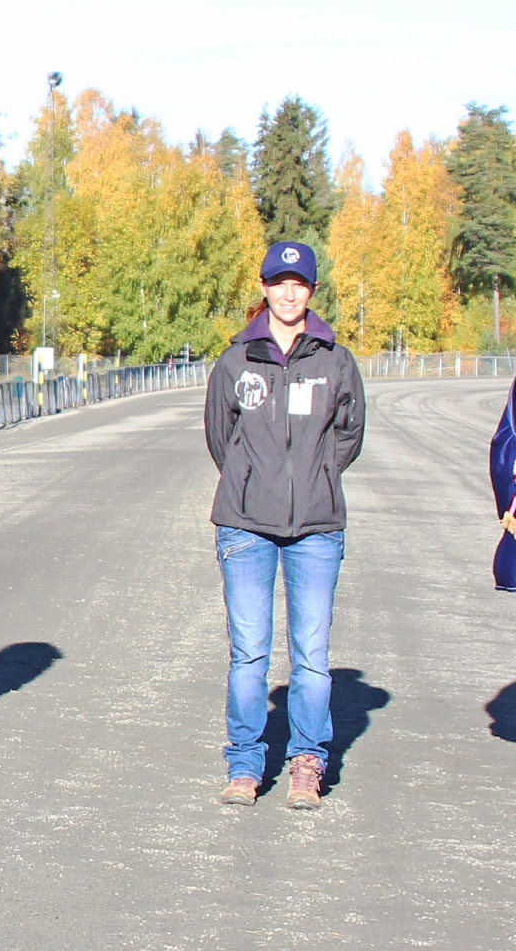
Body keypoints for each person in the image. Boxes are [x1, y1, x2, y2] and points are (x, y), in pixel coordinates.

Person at [202, 240, 365, 810]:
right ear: (264, 288)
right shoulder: (235, 360)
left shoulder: (336, 361)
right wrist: (253, 481)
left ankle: (306, 762)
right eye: (278, 282)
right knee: (248, 652)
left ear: (311, 291)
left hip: (317, 528)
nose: (288, 292)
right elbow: (220, 437)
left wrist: (313, 478)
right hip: (244, 527)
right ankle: (245, 764)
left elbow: (349, 435)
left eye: (299, 283)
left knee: (311, 655)